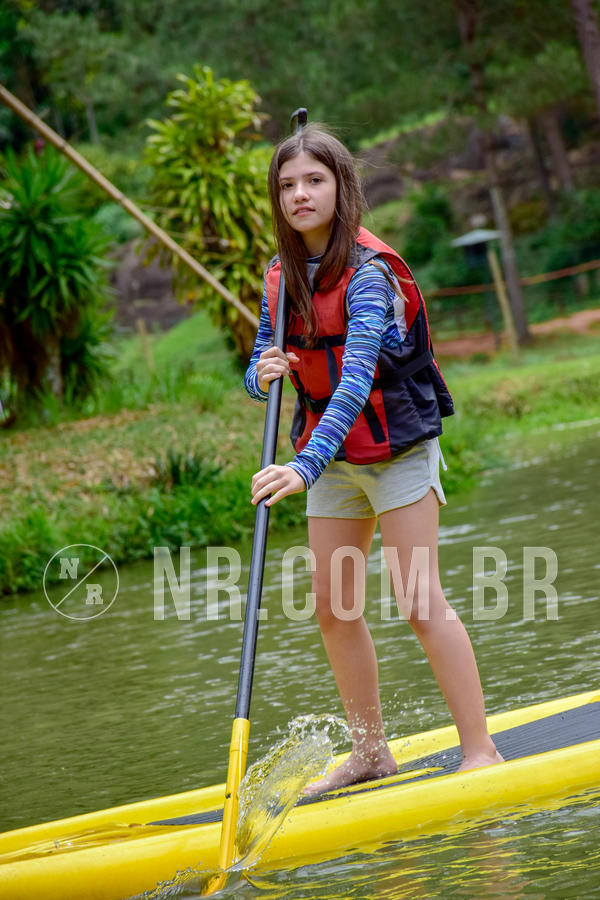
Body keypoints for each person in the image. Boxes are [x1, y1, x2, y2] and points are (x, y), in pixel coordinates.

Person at [244, 124, 503, 794]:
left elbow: (356, 379)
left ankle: (480, 750)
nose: (299, 194)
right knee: (334, 609)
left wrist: (300, 468)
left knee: (419, 600)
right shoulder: (277, 274)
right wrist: (262, 373)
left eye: (314, 180)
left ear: (340, 186)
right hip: (331, 461)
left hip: (396, 450)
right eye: (287, 185)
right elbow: (259, 363)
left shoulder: (369, 274)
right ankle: (370, 753)